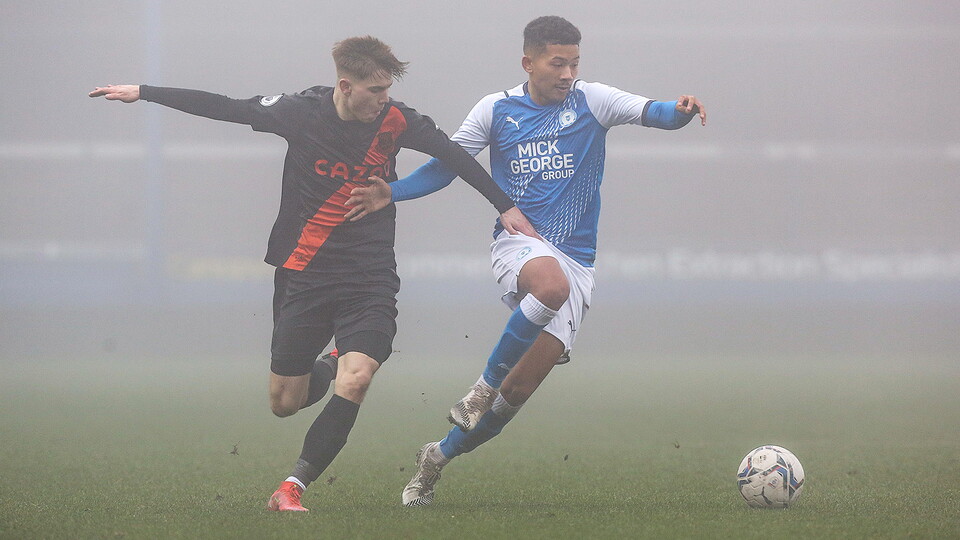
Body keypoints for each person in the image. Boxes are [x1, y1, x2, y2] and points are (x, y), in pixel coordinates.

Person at [89, 35, 536, 512]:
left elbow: (454, 156)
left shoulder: (397, 119)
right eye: (375, 90)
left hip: (368, 273)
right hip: (304, 272)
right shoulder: (298, 111)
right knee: (285, 402)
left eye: (388, 89)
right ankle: (330, 361)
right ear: (346, 85)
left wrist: (505, 205)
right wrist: (146, 91)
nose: (384, 99)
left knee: (358, 378)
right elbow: (226, 107)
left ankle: (291, 487)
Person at [345, 16, 707, 507]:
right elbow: (446, 166)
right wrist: (394, 193)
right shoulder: (495, 109)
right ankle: (480, 386)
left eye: (574, 63)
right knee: (548, 289)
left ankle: (436, 459)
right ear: (528, 62)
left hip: (578, 262)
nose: (567, 73)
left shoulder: (592, 100)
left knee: (514, 397)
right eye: (557, 63)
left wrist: (681, 111)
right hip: (521, 242)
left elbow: (654, 112)